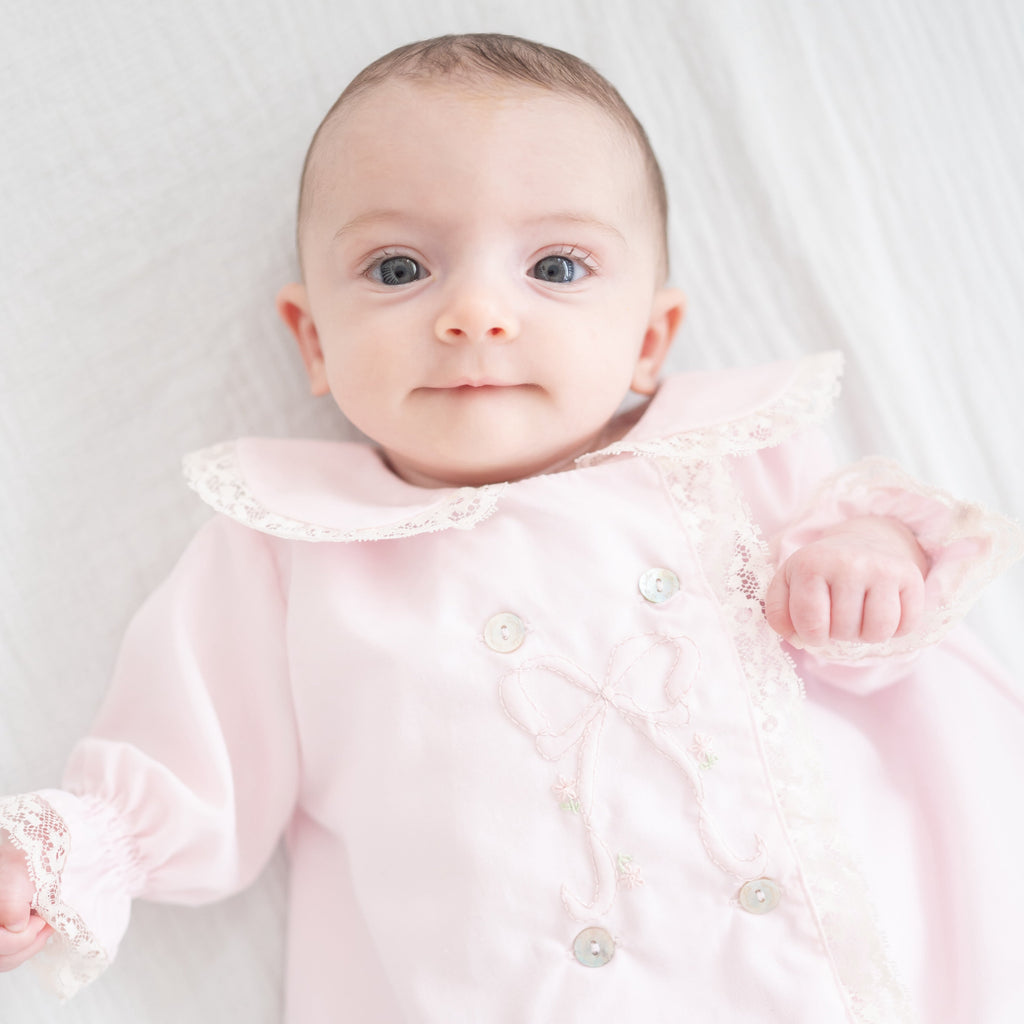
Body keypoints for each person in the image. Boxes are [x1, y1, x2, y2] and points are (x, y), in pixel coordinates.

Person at [1, 32, 1021, 1023]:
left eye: (558, 268)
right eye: (400, 269)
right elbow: (190, 755)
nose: (477, 311)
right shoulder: (290, 547)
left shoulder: (730, 456)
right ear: (313, 339)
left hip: (838, 972)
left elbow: (884, 652)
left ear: (649, 340)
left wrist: (868, 567)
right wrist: (58, 861)